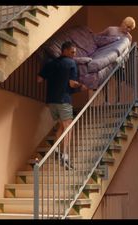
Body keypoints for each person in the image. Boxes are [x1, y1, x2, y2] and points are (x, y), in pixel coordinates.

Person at [37, 41, 87, 169]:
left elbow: (39, 79)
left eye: (75, 53)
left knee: (61, 126)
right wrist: (81, 85)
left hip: (51, 101)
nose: (74, 55)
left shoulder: (50, 63)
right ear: (64, 50)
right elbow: (71, 84)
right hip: (63, 99)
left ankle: (57, 150)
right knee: (68, 127)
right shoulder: (71, 63)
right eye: (72, 52)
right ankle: (65, 156)